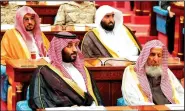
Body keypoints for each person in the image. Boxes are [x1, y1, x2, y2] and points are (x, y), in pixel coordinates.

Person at [28, 32, 103, 109]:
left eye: (76, 45)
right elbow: (39, 101)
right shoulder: (44, 72)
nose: (75, 50)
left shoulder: (84, 71)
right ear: (58, 49)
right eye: (69, 46)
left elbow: (95, 97)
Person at [1, 6, 50, 110]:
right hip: (22, 71)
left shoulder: (39, 34)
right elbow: (3, 57)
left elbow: (49, 53)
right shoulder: (10, 34)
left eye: (32, 18)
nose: (30, 22)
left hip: (41, 70)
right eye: (26, 19)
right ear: (19, 20)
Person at [121, 40, 184, 105]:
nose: (156, 59)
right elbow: (130, 98)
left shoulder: (166, 71)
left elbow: (180, 92)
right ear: (145, 55)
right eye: (152, 55)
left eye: (159, 56)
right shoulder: (132, 71)